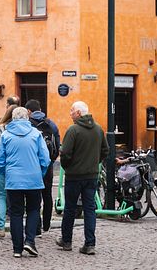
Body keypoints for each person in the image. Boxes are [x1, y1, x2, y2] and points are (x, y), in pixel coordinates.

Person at [0, 106, 50, 258]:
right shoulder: (36, 134)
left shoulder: (6, 135)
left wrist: (7, 173)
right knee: (33, 210)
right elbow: (45, 159)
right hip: (33, 179)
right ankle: (30, 241)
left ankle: (17, 249)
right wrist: (40, 173)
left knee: (16, 213)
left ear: (13, 118)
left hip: (13, 180)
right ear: (27, 118)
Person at [56, 101, 108, 256]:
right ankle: (90, 244)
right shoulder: (98, 129)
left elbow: (65, 153)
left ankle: (66, 241)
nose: (70, 113)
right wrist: (94, 162)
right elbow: (106, 150)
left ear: (78, 113)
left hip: (74, 176)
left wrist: (67, 166)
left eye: (72, 110)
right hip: (91, 176)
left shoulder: (73, 130)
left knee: (70, 208)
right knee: (90, 209)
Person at [25, 99, 60, 234]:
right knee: (47, 194)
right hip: (48, 165)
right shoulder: (51, 124)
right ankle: (47, 224)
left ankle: (37, 227)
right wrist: (51, 159)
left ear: (29, 111)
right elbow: (57, 145)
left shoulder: (28, 125)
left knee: (34, 196)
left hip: (32, 165)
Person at [0, 104, 18, 237]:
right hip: (18, 167)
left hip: (4, 165)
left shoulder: (2, 127)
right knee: (18, 197)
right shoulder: (25, 128)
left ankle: (1, 227)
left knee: (2, 196)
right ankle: (16, 227)